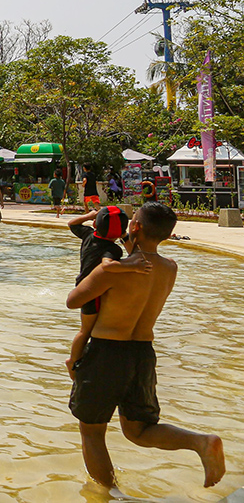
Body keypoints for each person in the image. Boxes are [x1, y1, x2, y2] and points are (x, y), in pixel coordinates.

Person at [66, 202, 225, 491]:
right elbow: (142, 265)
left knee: (92, 433)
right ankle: (201, 442)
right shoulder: (169, 268)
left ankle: (110, 496)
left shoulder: (113, 270)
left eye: (133, 221)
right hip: (142, 354)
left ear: (135, 227)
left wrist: (107, 263)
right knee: (138, 430)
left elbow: (74, 300)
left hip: (106, 352)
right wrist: (132, 246)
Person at [64, 206, 150, 380]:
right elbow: (108, 265)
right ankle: (72, 361)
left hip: (82, 285)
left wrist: (89, 215)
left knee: (85, 329)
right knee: (86, 330)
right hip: (92, 291)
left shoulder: (88, 234)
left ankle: (76, 359)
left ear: (96, 224)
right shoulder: (112, 250)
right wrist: (134, 266)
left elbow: (72, 223)